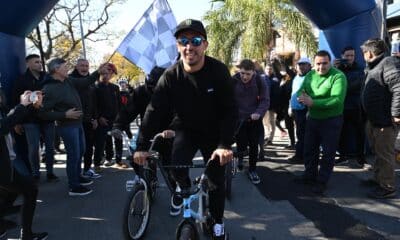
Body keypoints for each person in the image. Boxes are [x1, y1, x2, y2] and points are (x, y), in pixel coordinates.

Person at [133, 19, 237, 240]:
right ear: (178, 46)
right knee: (175, 168)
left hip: (214, 132)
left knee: (216, 181)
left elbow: (231, 110)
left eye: (196, 40)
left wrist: (225, 144)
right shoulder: (170, 76)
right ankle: (186, 186)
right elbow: (154, 110)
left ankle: (217, 223)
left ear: (205, 45)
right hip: (186, 130)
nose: (190, 46)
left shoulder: (218, 71)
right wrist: (141, 146)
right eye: (184, 41)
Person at [39, 58, 106, 196]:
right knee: (74, 155)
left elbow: (85, 82)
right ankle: (74, 186)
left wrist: (98, 71)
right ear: (56, 69)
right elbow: (42, 113)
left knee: (80, 151)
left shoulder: (68, 80)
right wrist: (64, 114)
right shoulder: (49, 88)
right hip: (67, 126)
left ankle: (78, 177)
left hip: (77, 124)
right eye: (65, 67)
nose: (67, 69)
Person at [296, 50, 347, 194]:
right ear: (314, 63)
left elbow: (337, 100)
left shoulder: (338, 76)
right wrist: (301, 97)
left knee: (328, 153)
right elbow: (301, 90)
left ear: (330, 62)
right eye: (318, 64)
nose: (321, 67)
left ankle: (322, 181)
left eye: (324, 63)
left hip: (331, 120)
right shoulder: (311, 75)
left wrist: (312, 102)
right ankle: (309, 175)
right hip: (313, 119)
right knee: (309, 149)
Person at [0, 90, 48, 240]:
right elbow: (3, 126)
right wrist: (22, 105)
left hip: (5, 163)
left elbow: (9, 119)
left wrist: (29, 105)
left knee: (10, 192)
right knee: (30, 190)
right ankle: (26, 235)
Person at [360, 38, 400, 199]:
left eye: (364, 52)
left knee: (385, 155)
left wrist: (396, 113)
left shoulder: (388, 62)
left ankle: (387, 187)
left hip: (385, 122)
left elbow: (399, 88)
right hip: (374, 120)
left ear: (369, 53)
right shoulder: (374, 66)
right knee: (378, 152)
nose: (363, 55)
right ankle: (378, 179)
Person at [12, 54, 58, 182]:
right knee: (33, 148)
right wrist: (17, 122)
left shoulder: (48, 77)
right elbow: (16, 102)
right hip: (29, 120)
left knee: (50, 147)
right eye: (36, 62)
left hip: (47, 117)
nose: (39, 64)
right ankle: (35, 173)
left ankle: (50, 172)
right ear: (28, 64)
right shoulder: (21, 80)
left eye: (40, 62)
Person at [233, 59, 269, 184]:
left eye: (248, 74)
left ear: (253, 72)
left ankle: (253, 169)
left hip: (254, 119)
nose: (244, 76)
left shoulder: (260, 80)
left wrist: (258, 113)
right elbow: (227, 99)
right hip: (239, 119)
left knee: (254, 145)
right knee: (241, 143)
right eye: (242, 73)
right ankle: (241, 158)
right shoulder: (233, 80)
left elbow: (265, 100)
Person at [333, 47, 366, 167]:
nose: (350, 58)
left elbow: (357, 85)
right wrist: (335, 68)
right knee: (342, 133)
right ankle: (342, 156)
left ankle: (361, 158)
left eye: (352, 55)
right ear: (342, 56)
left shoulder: (360, 68)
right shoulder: (336, 70)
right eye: (347, 56)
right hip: (341, 107)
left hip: (356, 106)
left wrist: (343, 88)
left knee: (359, 133)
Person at [69, 59, 101, 179]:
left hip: (89, 120)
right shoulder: (70, 79)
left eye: (87, 66)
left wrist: (95, 118)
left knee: (88, 147)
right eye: (82, 65)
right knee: (76, 150)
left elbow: (94, 102)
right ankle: (75, 175)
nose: (84, 68)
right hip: (74, 120)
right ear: (76, 66)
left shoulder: (92, 81)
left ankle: (87, 170)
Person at [93, 63, 121, 171]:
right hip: (102, 120)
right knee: (101, 142)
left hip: (115, 119)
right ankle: (97, 163)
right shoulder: (95, 87)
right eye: (105, 72)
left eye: (110, 72)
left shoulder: (115, 87)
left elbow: (119, 105)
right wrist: (99, 117)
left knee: (118, 139)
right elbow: (93, 104)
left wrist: (121, 119)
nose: (107, 75)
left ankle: (117, 160)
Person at [288, 57, 312, 164]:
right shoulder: (296, 77)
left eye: (304, 64)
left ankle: (301, 156)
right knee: (299, 133)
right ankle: (300, 155)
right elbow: (293, 92)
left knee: (303, 135)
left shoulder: (311, 77)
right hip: (296, 110)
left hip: (305, 110)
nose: (301, 66)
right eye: (300, 64)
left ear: (309, 66)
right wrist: (290, 106)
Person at [262, 63, 280, 145]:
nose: (269, 71)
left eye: (270, 69)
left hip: (272, 105)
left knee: (271, 121)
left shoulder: (275, 80)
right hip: (263, 104)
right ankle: (266, 136)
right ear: (265, 70)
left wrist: (275, 106)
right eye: (267, 69)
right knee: (264, 122)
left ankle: (270, 139)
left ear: (272, 70)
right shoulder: (261, 78)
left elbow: (277, 94)